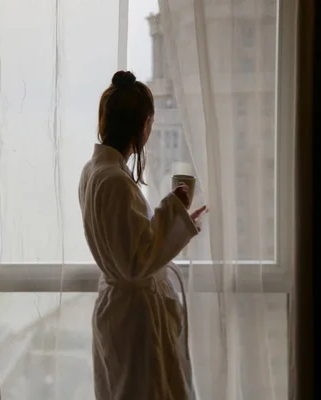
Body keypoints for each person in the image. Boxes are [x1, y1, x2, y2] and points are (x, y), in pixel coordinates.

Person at [78, 70, 207, 400]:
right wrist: (173, 208)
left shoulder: (95, 172)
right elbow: (136, 262)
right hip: (134, 321)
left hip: (118, 311)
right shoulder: (116, 181)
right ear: (145, 124)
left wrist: (178, 220)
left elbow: (130, 245)